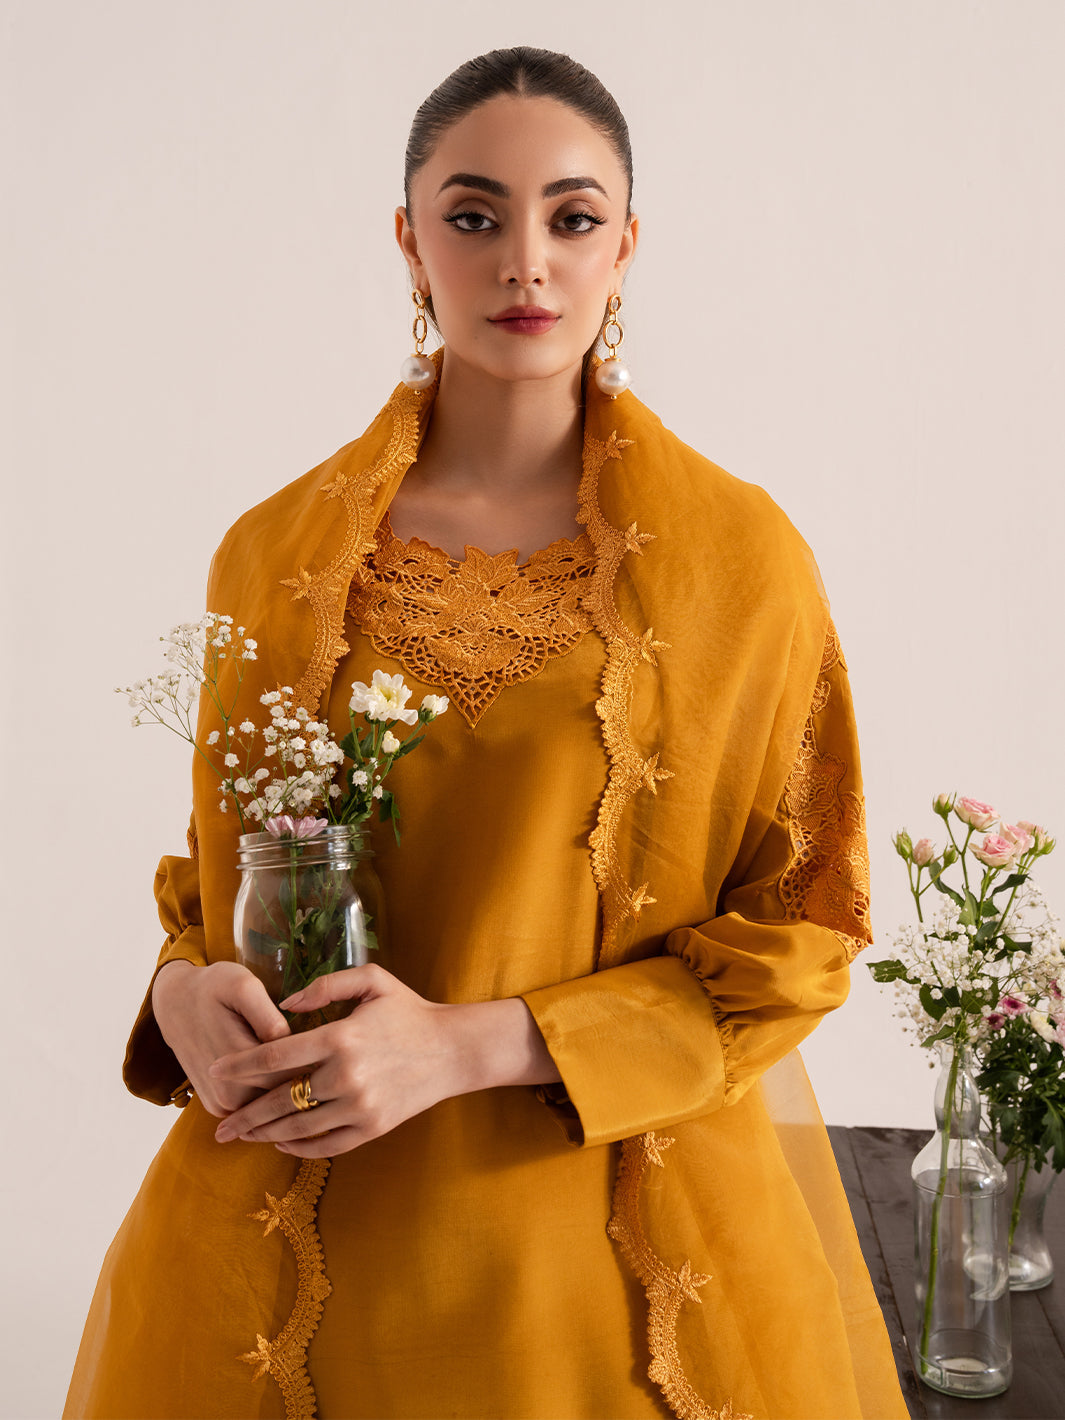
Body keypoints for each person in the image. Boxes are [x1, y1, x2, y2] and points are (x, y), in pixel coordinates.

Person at [65, 47, 909, 1420]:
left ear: (625, 246)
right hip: (289, 1242)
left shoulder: (741, 566)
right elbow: (227, 889)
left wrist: (468, 1046)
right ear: (409, 242)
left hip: (596, 1263)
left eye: (572, 218)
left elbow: (801, 936)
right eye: (473, 216)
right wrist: (182, 992)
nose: (526, 261)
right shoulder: (271, 555)